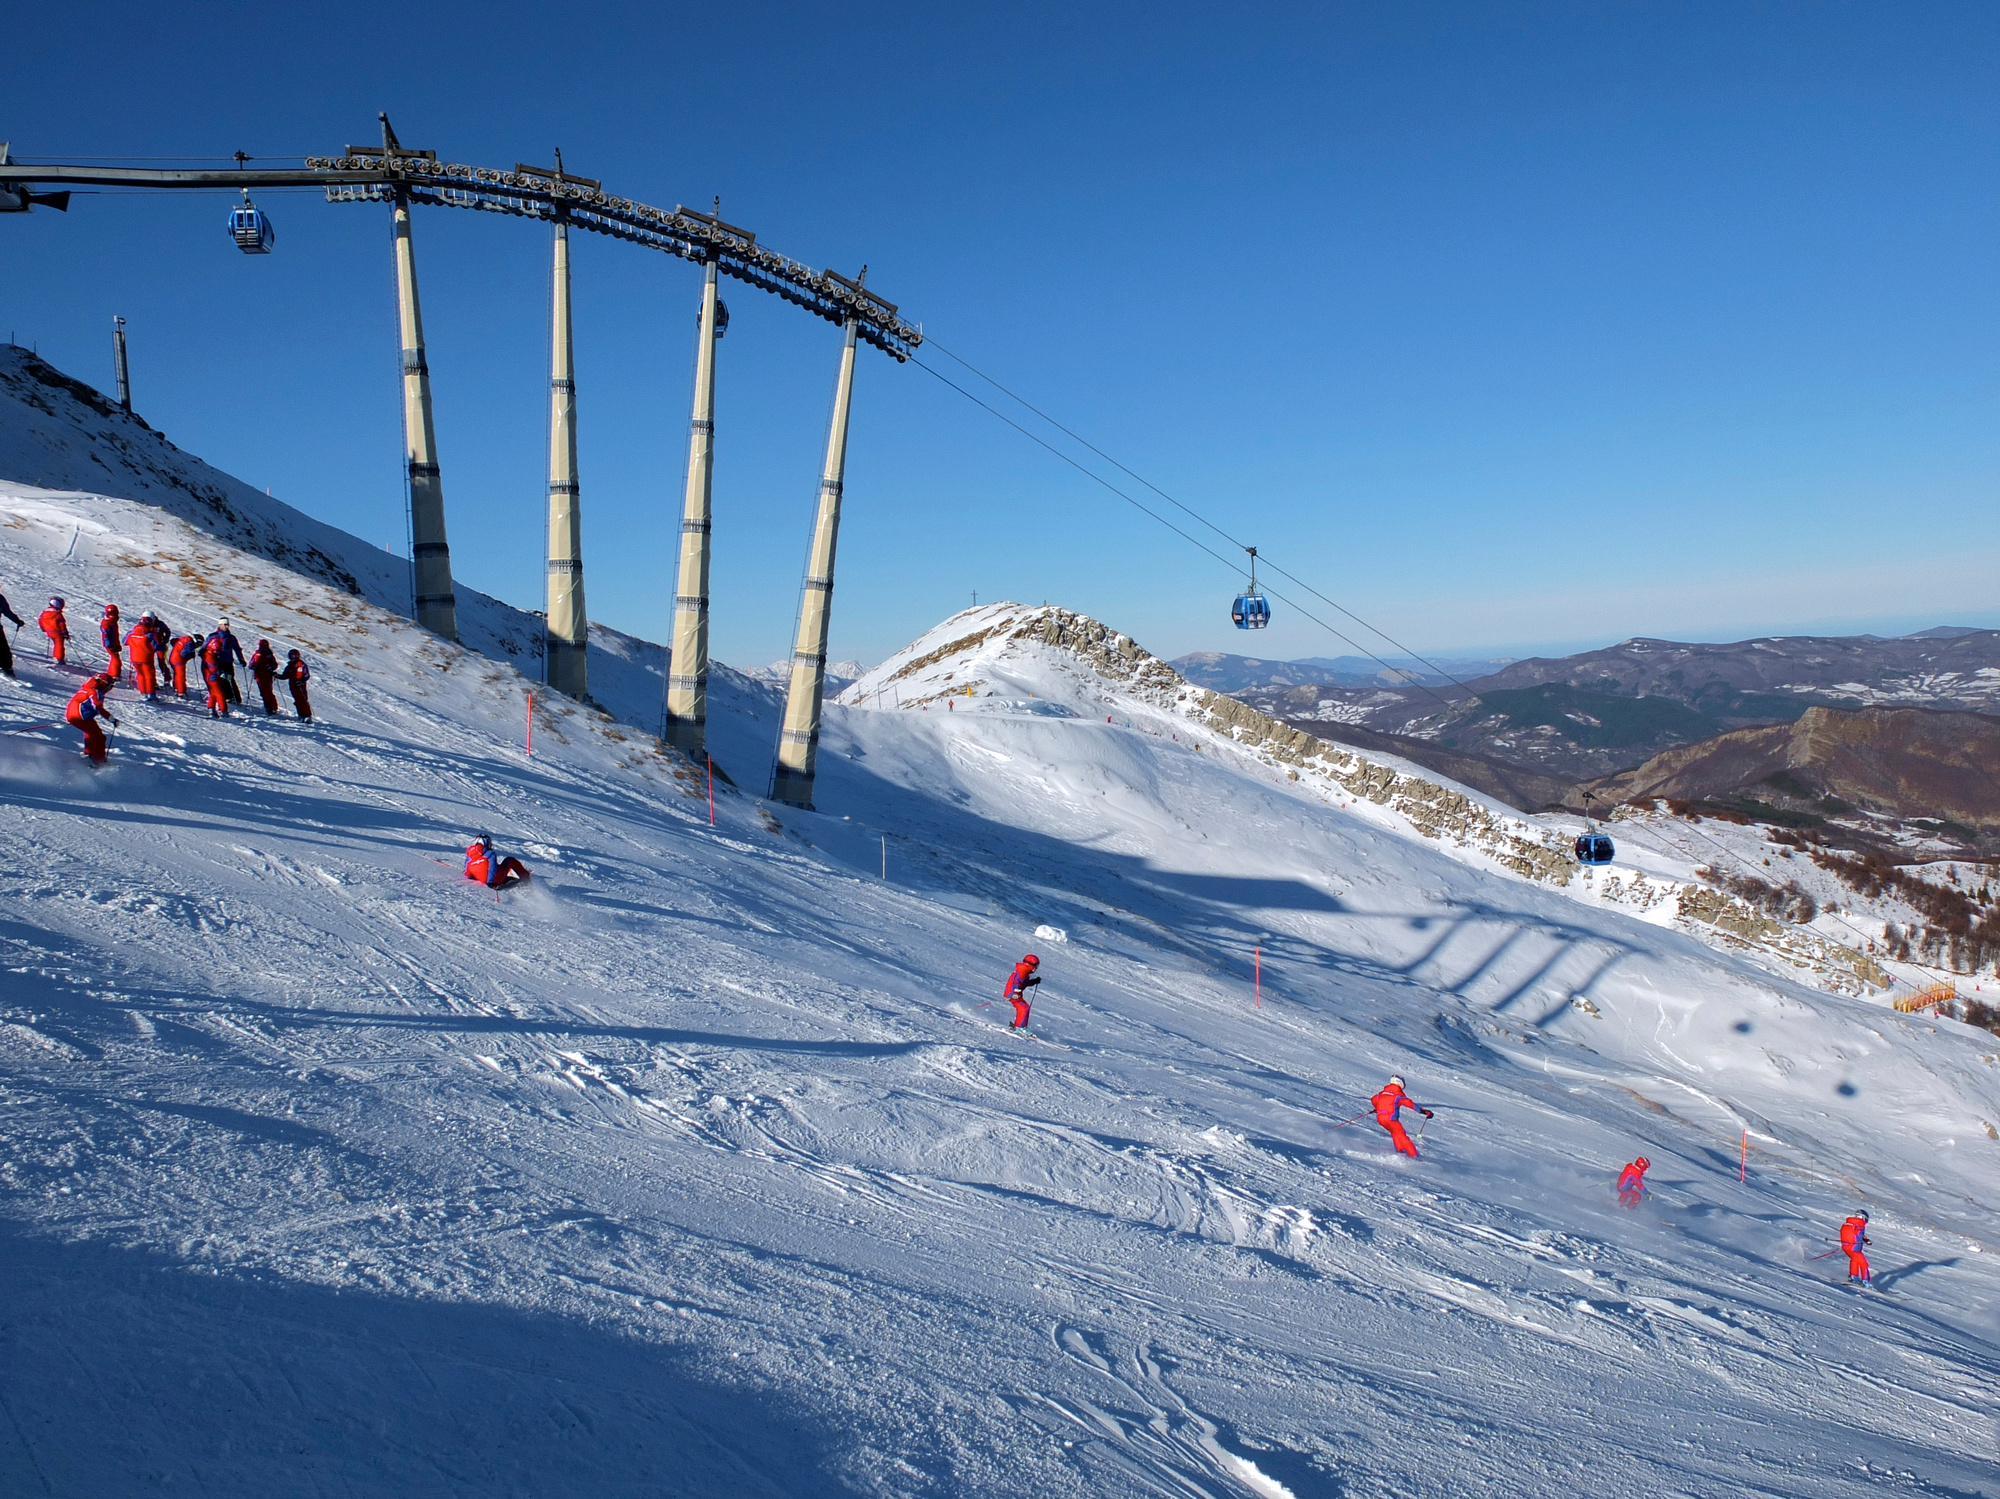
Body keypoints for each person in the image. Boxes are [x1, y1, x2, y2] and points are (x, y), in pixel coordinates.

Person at [1371, 1075, 1432, 1159]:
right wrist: (1423, 1111)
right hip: (1391, 1119)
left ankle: (1400, 1151)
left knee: (1395, 1133)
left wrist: (1379, 1108)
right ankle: (1414, 1156)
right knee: (1402, 1136)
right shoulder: (1398, 1095)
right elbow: (1410, 1104)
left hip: (1380, 1118)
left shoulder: (1381, 1093)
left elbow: (1374, 1100)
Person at [65, 672, 118, 764]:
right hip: (80, 717)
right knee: (99, 737)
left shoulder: (89, 688)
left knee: (91, 733)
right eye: (109, 685)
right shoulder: (94, 691)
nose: (110, 688)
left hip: (79, 716)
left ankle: (89, 754)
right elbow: (97, 706)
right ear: (103, 683)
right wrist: (110, 718)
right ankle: (99, 760)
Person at [464, 834, 531, 889]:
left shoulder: (469, 855)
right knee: (509, 860)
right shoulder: (490, 853)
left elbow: (467, 873)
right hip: (492, 880)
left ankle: (509, 879)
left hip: (479, 878)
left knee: (502, 872)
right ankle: (525, 877)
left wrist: (474, 876)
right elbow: (492, 868)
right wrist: (490, 882)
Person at [204, 618, 245, 708]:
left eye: (228, 625)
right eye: (225, 624)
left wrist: (241, 659)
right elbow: (206, 647)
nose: (227, 626)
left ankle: (235, 698)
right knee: (220, 679)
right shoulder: (213, 636)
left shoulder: (231, 637)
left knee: (230, 678)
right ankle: (225, 697)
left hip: (228, 661)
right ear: (220, 625)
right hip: (217, 661)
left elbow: (237, 649)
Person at [1003, 953, 1041, 1028]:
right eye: (1036, 966)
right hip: (1013, 994)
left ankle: (1019, 1025)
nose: (1036, 968)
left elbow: (1024, 983)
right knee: (1024, 1009)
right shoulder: (1022, 971)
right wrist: (1015, 993)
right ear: (1030, 964)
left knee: (1024, 1008)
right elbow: (1016, 982)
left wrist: (1034, 981)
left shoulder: (1024, 970)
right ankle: (1020, 1027)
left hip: (1014, 993)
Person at [126, 614, 159, 698]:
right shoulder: (150, 635)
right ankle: (150, 694)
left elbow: (124, 642)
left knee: (140, 674)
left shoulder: (131, 633)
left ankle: (143, 691)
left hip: (134, 658)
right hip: (146, 659)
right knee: (149, 676)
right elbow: (156, 646)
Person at [249, 639, 280, 715]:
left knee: (268, 692)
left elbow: (275, 665)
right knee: (263, 692)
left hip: (267, 675)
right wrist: (253, 666)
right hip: (258, 675)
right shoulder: (257, 653)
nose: (262, 647)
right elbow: (251, 663)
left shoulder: (269, 655)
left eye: (263, 646)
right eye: (261, 645)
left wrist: (270, 667)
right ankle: (269, 707)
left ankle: (272, 707)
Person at [279, 648, 312, 720]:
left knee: (303, 700)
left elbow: (307, 675)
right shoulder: (289, 666)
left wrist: (301, 681)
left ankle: (307, 716)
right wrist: (276, 675)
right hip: (293, 685)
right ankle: (301, 715)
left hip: (300, 685)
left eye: (292, 656)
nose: (291, 658)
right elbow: (285, 676)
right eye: (290, 656)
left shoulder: (301, 665)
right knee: (297, 701)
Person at [1840, 1210, 1871, 1284]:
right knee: (1863, 1263)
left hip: (1846, 1247)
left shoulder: (1849, 1223)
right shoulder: (1858, 1225)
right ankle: (1865, 1281)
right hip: (1854, 1248)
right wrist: (1866, 1240)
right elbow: (1859, 1235)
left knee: (1854, 1261)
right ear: (1862, 1218)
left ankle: (1854, 1277)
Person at [169, 632, 200, 698]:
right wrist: (191, 655)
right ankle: (181, 692)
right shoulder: (190, 644)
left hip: (173, 658)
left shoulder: (185, 639)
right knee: (181, 676)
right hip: (179, 661)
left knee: (176, 675)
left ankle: (176, 688)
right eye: (199, 644)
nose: (198, 646)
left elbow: (173, 641)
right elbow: (184, 654)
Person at [39, 596, 68, 664]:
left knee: (56, 644)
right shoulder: (57, 614)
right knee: (59, 645)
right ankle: (59, 659)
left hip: (49, 631)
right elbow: (61, 624)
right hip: (58, 632)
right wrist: (64, 632)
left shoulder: (45, 613)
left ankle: (56, 657)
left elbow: (40, 621)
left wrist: (43, 628)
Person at [201, 646, 229, 718]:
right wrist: (221, 673)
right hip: (212, 677)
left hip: (209, 677)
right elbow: (213, 667)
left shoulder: (209, 654)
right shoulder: (209, 656)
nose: (217, 652)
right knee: (220, 694)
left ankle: (212, 709)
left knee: (213, 693)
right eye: (217, 650)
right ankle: (223, 711)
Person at [0, 590, 21, 678]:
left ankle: (7, 668)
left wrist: (17, 620)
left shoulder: (0, 598)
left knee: (4, 649)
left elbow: (7, 611)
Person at [99, 604, 123, 680]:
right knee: (116, 659)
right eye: (112, 614)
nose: (114, 616)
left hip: (114, 643)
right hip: (110, 644)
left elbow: (115, 635)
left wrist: (117, 645)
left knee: (114, 657)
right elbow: (105, 635)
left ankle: (110, 673)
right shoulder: (107, 623)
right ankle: (115, 675)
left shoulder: (113, 622)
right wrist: (109, 645)